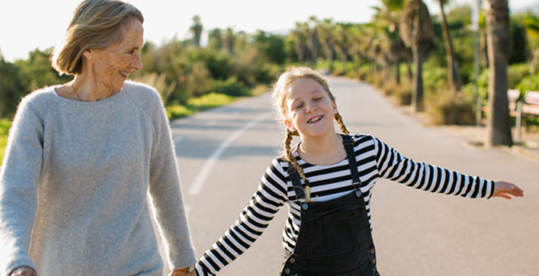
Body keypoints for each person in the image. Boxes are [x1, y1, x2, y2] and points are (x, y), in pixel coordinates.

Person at [192, 66, 524, 276]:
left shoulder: (367, 151)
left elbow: (424, 175)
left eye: (317, 98)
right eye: (298, 105)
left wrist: (487, 187)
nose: (311, 108)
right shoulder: (283, 172)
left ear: (334, 105)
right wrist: (200, 271)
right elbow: (246, 229)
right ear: (287, 121)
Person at [0, 0, 197, 276]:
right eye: (130, 51)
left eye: (140, 51)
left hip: (138, 268)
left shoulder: (145, 104)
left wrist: (182, 261)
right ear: (90, 48)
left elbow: (165, 188)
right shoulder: (40, 111)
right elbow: (15, 194)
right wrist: (17, 260)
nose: (137, 64)